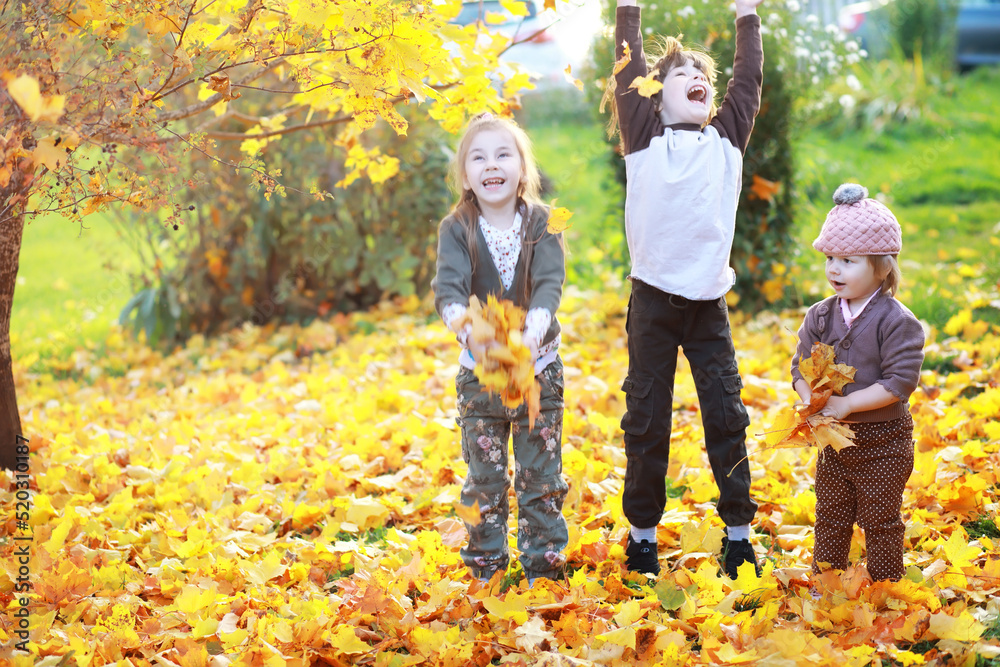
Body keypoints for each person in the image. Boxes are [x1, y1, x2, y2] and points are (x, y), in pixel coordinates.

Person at [604, 0, 765, 578]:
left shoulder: (726, 140)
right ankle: (643, 537)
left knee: (726, 415)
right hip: (651, 304)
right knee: (646, 420)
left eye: (703, 75)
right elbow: (626, 66)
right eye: (681, 75)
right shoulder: (644, 140)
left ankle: (740, 535)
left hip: (707, 307)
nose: (697, 79)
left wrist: (747, 14)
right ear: (656, 93)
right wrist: (628, 10)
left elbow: (747, 78)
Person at [431, 112, 569, 584]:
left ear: (523, 169)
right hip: (481, 375)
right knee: (483, 482)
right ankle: (485, 569)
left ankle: (544, 569)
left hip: (538, 371)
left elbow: (550, 284)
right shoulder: (457, 228)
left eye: (503, 154)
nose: (492, 165)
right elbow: (448, 288)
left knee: (540, 478)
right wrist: (470, 331)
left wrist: (530, 336)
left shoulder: (543, 224)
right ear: (466, 175)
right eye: (479, 157)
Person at [792, 183, 924, 583]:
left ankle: (887, 586)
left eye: (848, 260)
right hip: (834, 442)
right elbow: (801, 367)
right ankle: (827, 583)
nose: (834, 268)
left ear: (882, 266)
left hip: (883, 441)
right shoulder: (820, 316)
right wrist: (810, 398)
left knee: (880, 519)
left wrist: (848, 404)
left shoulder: (896, 321)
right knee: (830, 517)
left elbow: (900, 382)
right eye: (830, 257)